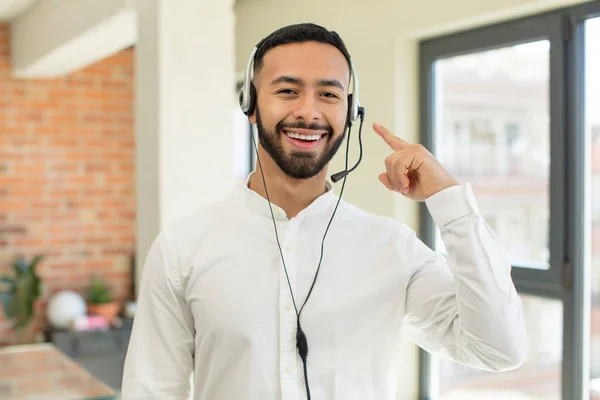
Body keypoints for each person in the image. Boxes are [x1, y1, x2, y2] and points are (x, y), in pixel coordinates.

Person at [121, 23, 528, 400]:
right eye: (286, 91)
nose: (309, 112)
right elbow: (151, 390)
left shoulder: (392, 247)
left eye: (329, 94)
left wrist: (449, 201)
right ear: (250, 104)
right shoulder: (182, 248)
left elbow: (498, 349)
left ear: (350, 113)